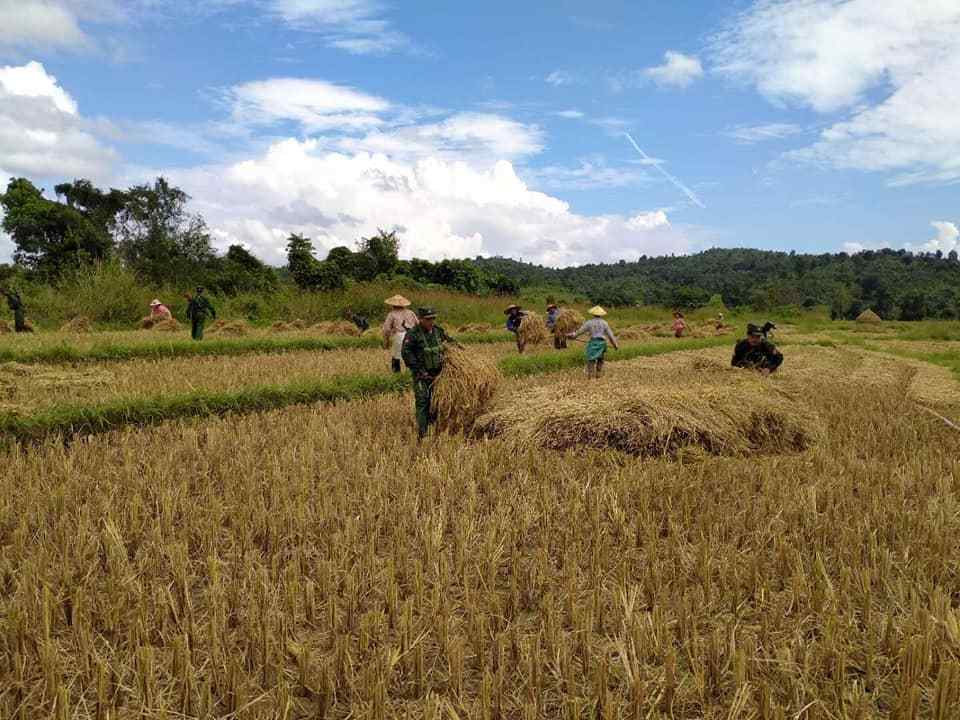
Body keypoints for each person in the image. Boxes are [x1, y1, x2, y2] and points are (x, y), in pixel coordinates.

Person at [402, 307, 456, 440]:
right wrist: (419, 370)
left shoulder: (438, 331)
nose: (431, 321)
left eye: (433, 318)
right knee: (423, 402)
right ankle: (423, 433)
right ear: (420, 319)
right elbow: (406, 353)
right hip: (421, 376)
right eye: (428, 319)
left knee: (436, 402)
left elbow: (451, 343)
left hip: (438, 376)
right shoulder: (413, 334)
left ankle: (435, 428)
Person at [568, 306, 619, 379]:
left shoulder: (589, 323)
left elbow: (579, 332)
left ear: (593, 314)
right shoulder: (604, 323)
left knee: (591, 359)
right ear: (601, 314)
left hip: (593, 343)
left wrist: (572, 336)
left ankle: (591, 375)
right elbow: (610, 335)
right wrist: (615, 345)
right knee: (600, 359)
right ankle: (598, 374)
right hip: (602, 343)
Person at [381, 294, 418, 373]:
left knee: (396, 357)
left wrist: (386, 341)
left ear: (392, 305)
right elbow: (418, 324)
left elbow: (386, 329)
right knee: (412, 355)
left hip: (399, 336)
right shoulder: (411, 312)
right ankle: (414, 373)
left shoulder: (392, 314)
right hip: (412, 335)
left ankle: (397, 375)